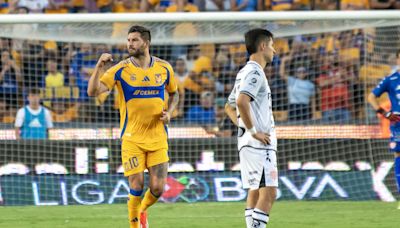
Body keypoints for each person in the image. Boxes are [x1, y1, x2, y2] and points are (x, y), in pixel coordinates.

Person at [87, 25, 179, 228]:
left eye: (134, 40)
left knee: (157, 188)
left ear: (146, 43)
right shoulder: (120, 69)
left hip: (157, 137)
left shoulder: (164, 68)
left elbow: (175, 93)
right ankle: (134, 225)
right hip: (132, 138)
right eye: (128, 40)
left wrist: (170, 112)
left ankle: (142, 211)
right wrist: (98, 67)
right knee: (136, 184)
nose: (130, 44)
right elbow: (93, 92)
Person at [225, 28, 277, 228]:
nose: (274, 51)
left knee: (255, 189)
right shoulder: (255, 71)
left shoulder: (244, 72)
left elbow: (228, 105)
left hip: (250, 143)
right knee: (269, 192)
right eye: (272, 46)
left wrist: (244, 127)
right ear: (263, 46)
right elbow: (240, 101)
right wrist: (253, 131)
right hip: (258, 144)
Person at [367, 49, 400, 209]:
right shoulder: (391, 79)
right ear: (397, 60)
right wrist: (384, 113)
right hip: (398, 123)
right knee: (399, 155)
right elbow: (371, 97)